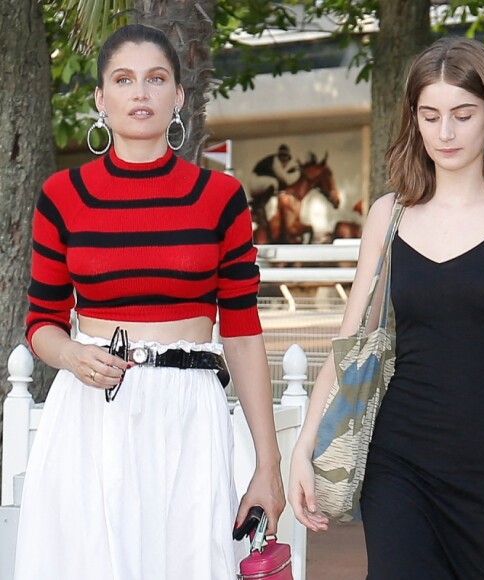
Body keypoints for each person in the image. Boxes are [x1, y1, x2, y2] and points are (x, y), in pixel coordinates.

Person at [16, 24, 285, 580]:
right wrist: (70, 355)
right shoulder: (62, 196)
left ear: (179, 95)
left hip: (191, 416)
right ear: (100, 98)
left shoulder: (222, 197)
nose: (140, 93)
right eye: (124, 79)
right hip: (92, 415)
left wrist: (268, 463)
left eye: (156, 79)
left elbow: (242, 330)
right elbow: (41, 322)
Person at [289, 36, 484, 579]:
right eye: (430, 115)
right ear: (414, 120)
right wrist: (304, 446)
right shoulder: (389, 214)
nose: (446, 132)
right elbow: (350, 343)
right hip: (399, 458)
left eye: (463, 114)